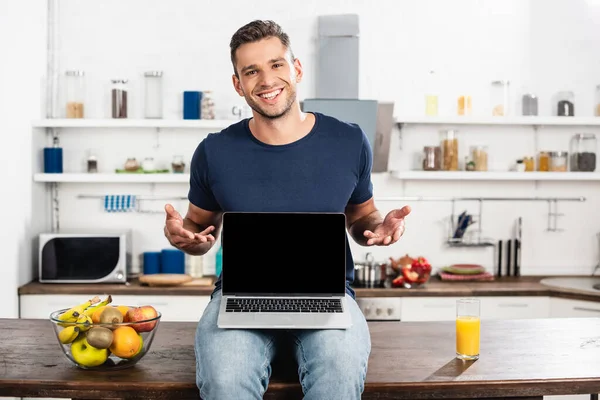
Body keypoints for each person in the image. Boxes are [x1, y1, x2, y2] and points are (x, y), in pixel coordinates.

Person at [163, 19, 411, 400]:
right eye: (251, 71)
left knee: (339, 374)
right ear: (238, 84)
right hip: (238, 298)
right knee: (225, 380)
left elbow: (361, 216)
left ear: (295, 69)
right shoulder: (214, 151)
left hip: (328, 297)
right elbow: (199, 231)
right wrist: (184, 237)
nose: (266, 79)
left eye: (276, 64)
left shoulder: (348, 141)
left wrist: (378, 228)